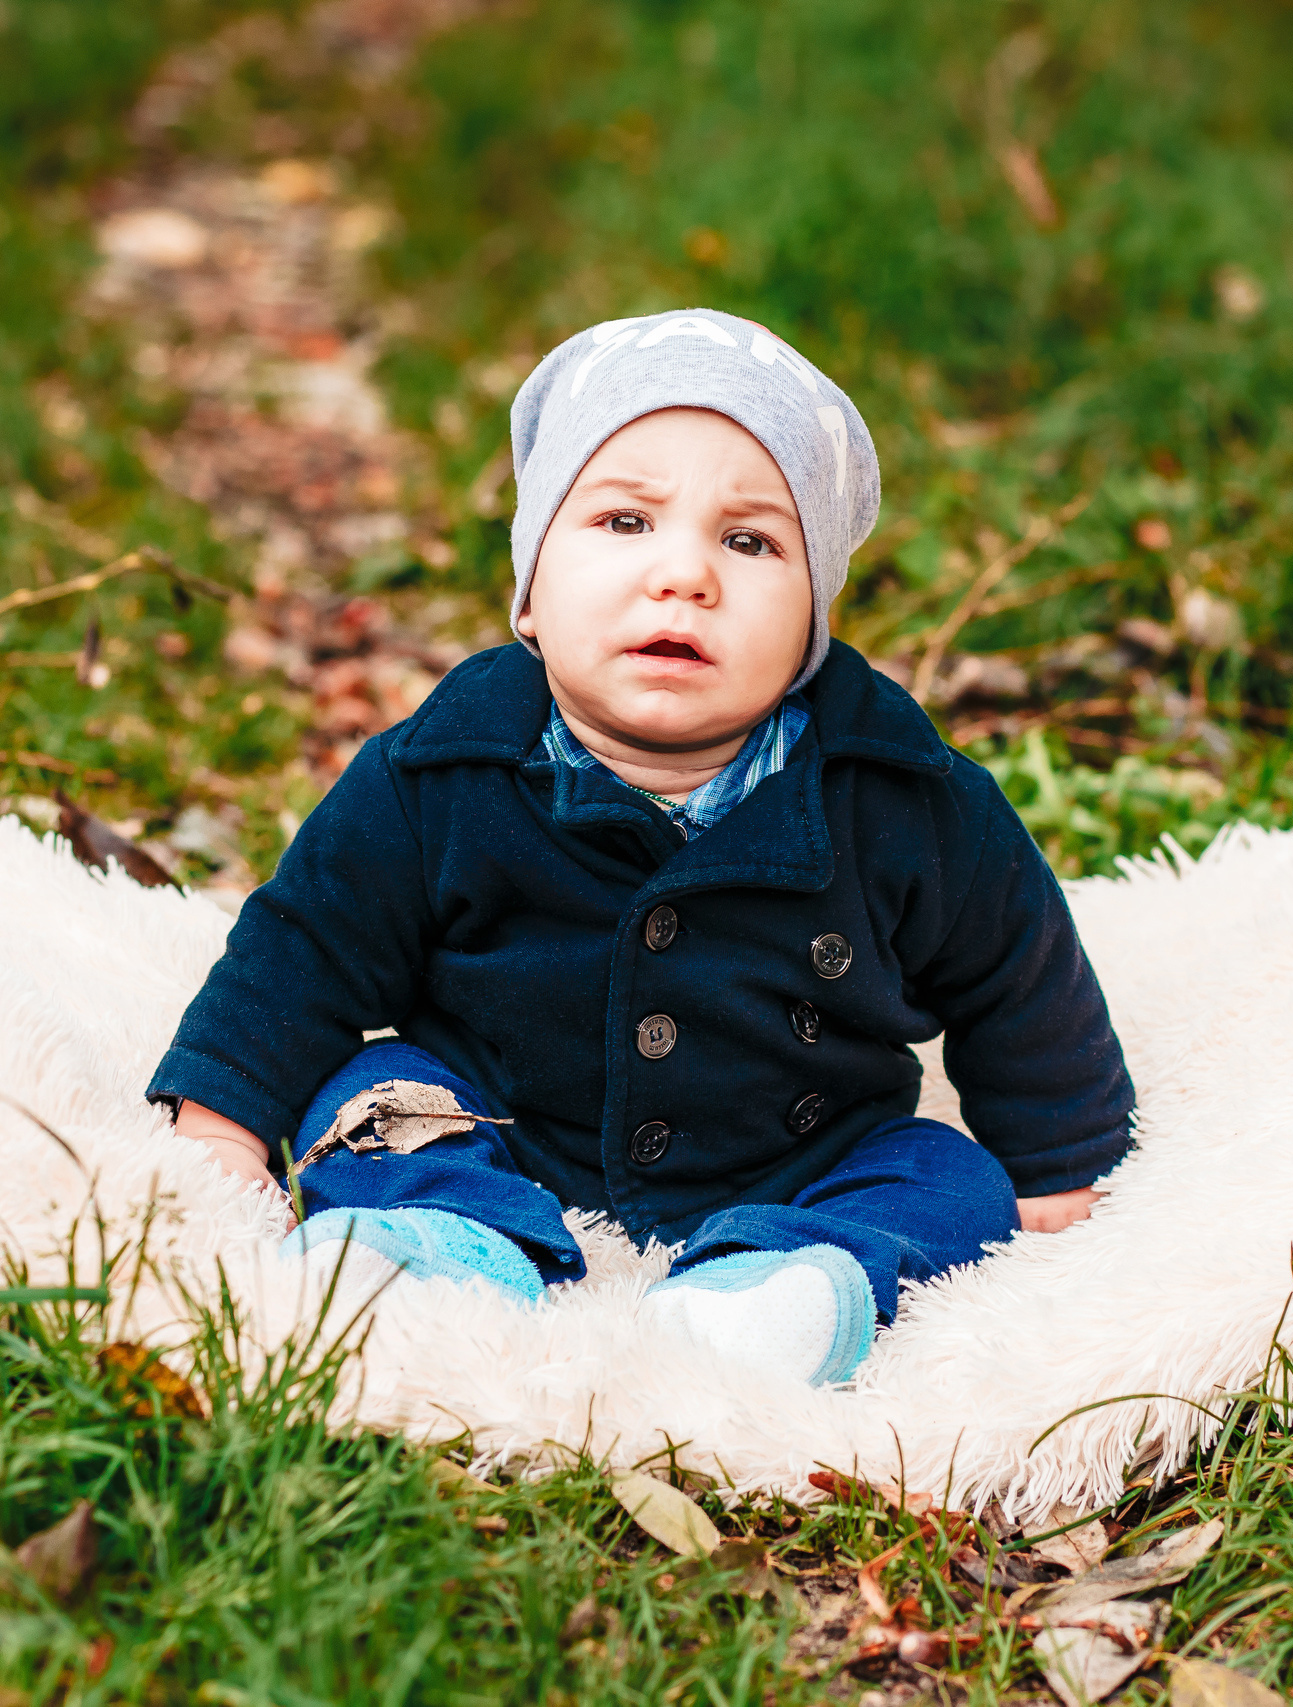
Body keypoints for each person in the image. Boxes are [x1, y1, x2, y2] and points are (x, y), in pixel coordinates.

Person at [149, 308, 1135, 1385]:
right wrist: (223, 1116)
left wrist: (1059, 1162)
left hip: (803, 1155)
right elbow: (308, 944)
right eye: (625, 523)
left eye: (749, 541)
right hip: (493, 1116)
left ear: (814, 619)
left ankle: (776, 1293)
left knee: (949, 1180)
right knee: (368, 1093)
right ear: (530, 589)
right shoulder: (440, 771)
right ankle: (439, 1252)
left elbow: (1015, 964)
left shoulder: (899, 794)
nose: (685, 576)